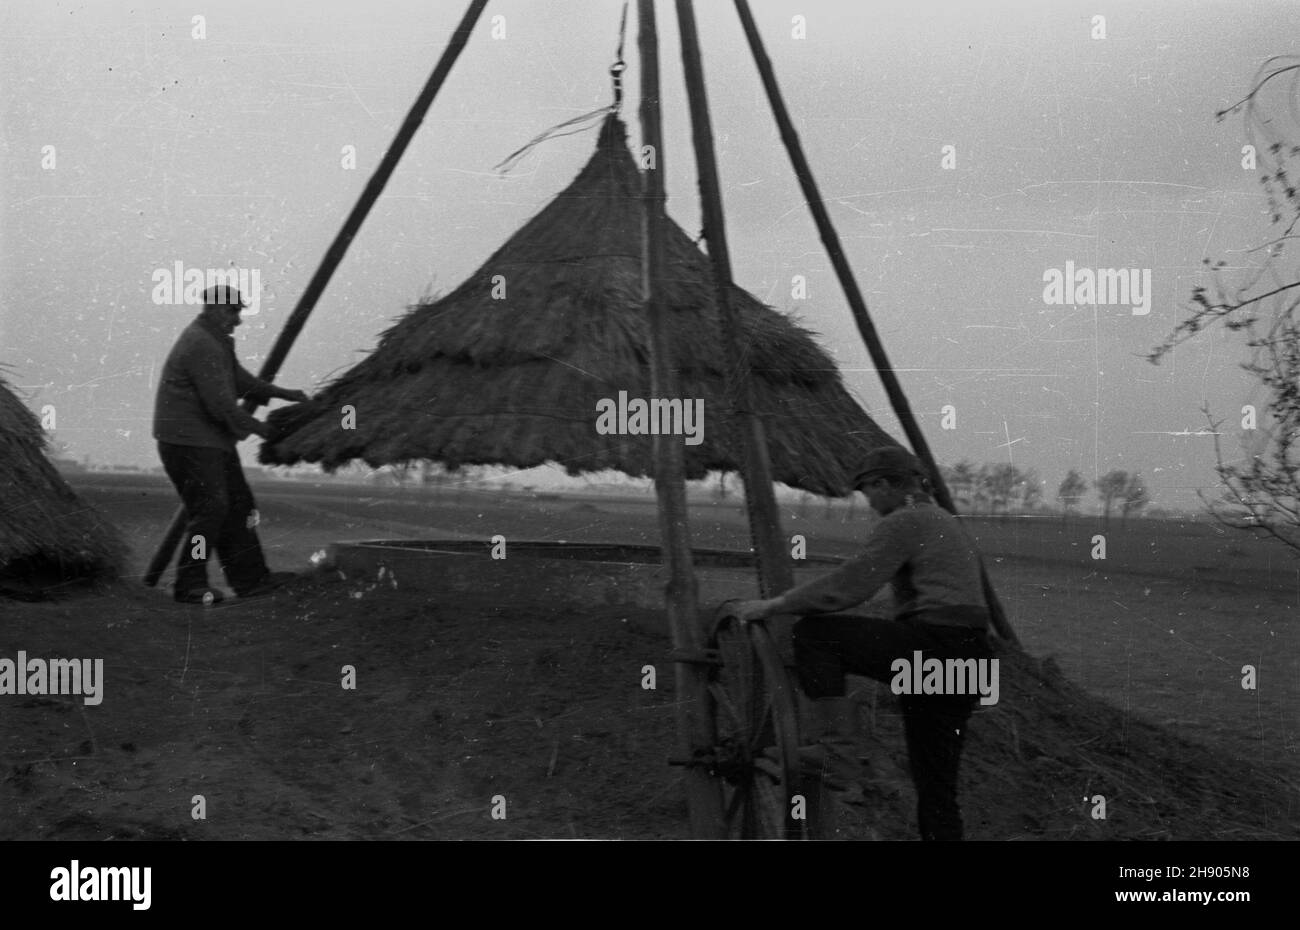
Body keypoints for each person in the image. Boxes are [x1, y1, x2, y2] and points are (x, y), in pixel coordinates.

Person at [725, 446, 995, 841]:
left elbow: (849, 586)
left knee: (817, 635)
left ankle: (837, 753)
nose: (868, 502)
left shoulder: (905, 520)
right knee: (937, 790)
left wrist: (776, 605)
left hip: (936, 645)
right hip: (970, 661)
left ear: (885, 484)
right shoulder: (942, 520)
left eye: (867, 490)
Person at [152, 284, 309, 604]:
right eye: (233, 311)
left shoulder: (216, 342)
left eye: (239, 311)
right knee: (211, 509)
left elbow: (242, 382)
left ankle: (252, 580)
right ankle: (189, 583)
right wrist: (263, 430)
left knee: (239, 505)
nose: (238, 319)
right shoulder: (201, 344)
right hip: (188, 443)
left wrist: (285, 394)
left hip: (209, 441)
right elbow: (222, 405)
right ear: (212, 308)